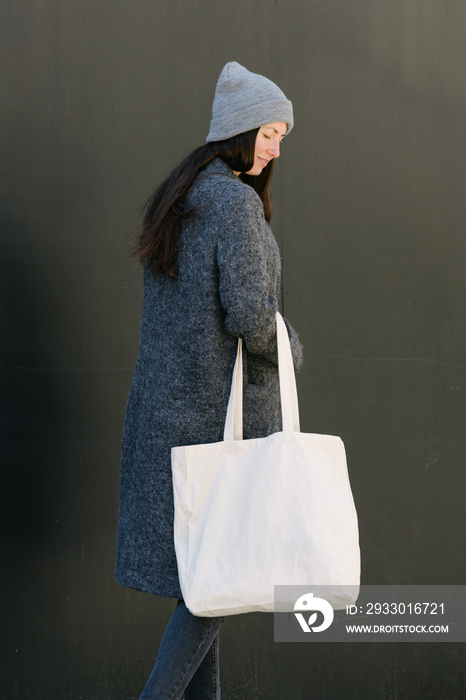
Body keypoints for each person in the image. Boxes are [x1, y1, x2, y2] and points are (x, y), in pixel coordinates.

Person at [116, 61, 303, 700]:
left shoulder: (179, 200)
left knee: (205, 584)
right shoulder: (235, 206)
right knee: (215, 584)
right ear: (243, 131)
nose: (278, 148)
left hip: (169, 417)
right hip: (219, 429)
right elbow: (253, 316)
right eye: (273, 133)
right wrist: (292, 347)